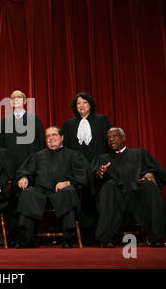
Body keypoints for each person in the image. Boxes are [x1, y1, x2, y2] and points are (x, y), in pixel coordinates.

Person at [91, 128, 166, 248]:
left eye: (114, 136)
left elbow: (154, 170)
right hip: (115, 196)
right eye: (109, 138)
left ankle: (157, 237)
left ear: (123, 138)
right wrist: (99, 173)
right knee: (109, 187)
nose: (111, 139)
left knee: (150, 187)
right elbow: (93, 179)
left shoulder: (140, 154)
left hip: (138, 193)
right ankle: (105, 238)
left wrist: (150, 173)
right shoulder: (103, 159)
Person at [15, 126, 89, 248]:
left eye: (54, 135)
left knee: (69, 191)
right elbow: (26, 171)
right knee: (27, 193)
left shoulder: (73, 155)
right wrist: (24, 178)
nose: (51, 138)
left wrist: (68, 183)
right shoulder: (38, 156)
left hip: (61, 191)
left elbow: (83, 175)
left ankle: (68, 237)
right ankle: (28, 237)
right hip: (40, 192)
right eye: (48, 136)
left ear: (62, 137)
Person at [0, 90, 46, 246]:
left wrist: (37, 168)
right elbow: (1, 148)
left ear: (25, 101)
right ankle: (15, 238)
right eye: (13, 98)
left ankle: (30, 237)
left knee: (29, 200)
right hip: (11, 169)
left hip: (31, 169)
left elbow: (41, 145)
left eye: (19, 97)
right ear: (10, 102)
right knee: (11, 203)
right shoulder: (5, 122)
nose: (16, 100)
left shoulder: (34, 119)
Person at [62, 92, 111, 245]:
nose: (81, 105)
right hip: (76, 168)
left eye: (84, 102)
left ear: (90, 104)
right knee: (76, 200)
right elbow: (66, 147)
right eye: (78, 103)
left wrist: (104, 164)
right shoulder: (69, 124)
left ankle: (101, 235)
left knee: (98, 199)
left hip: (97, 166)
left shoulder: (102, 120)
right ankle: (79, 236)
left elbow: (108, 143)